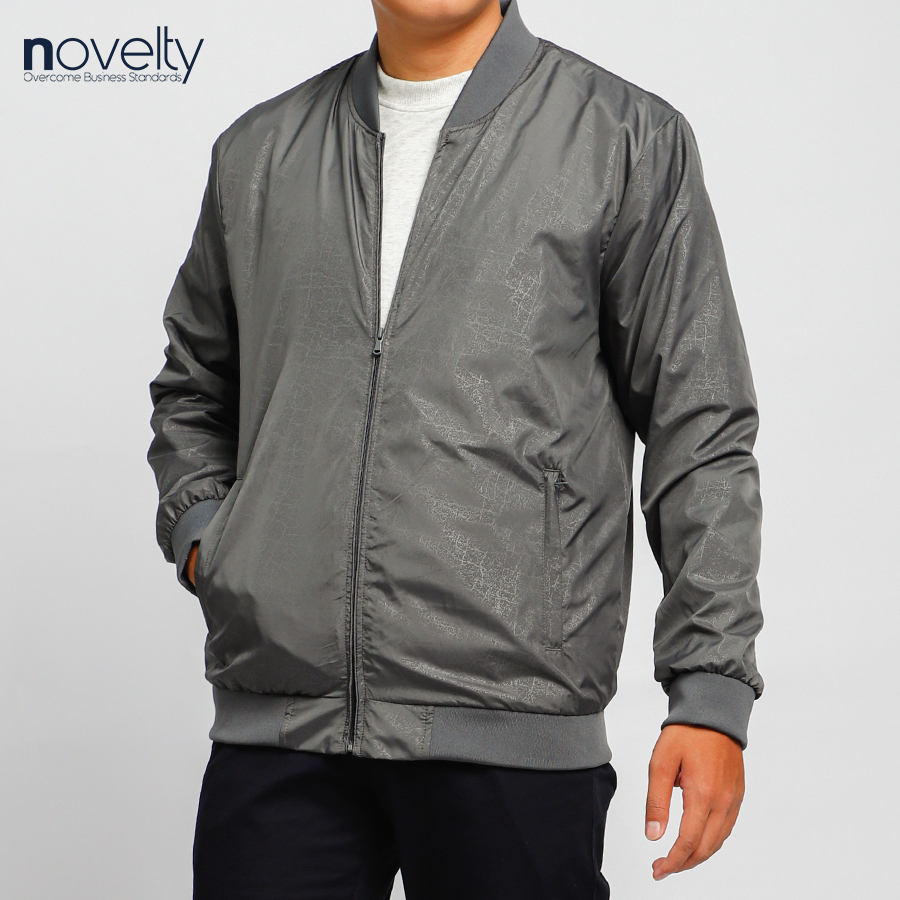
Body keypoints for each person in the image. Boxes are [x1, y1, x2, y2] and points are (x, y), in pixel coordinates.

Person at [146, 1, 764, 897]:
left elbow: (698, 426)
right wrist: (212, 539)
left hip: (514, 727)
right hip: (279, 732)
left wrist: (710, 689)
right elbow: (194, 387)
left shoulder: (623, 140)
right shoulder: (260, 153)